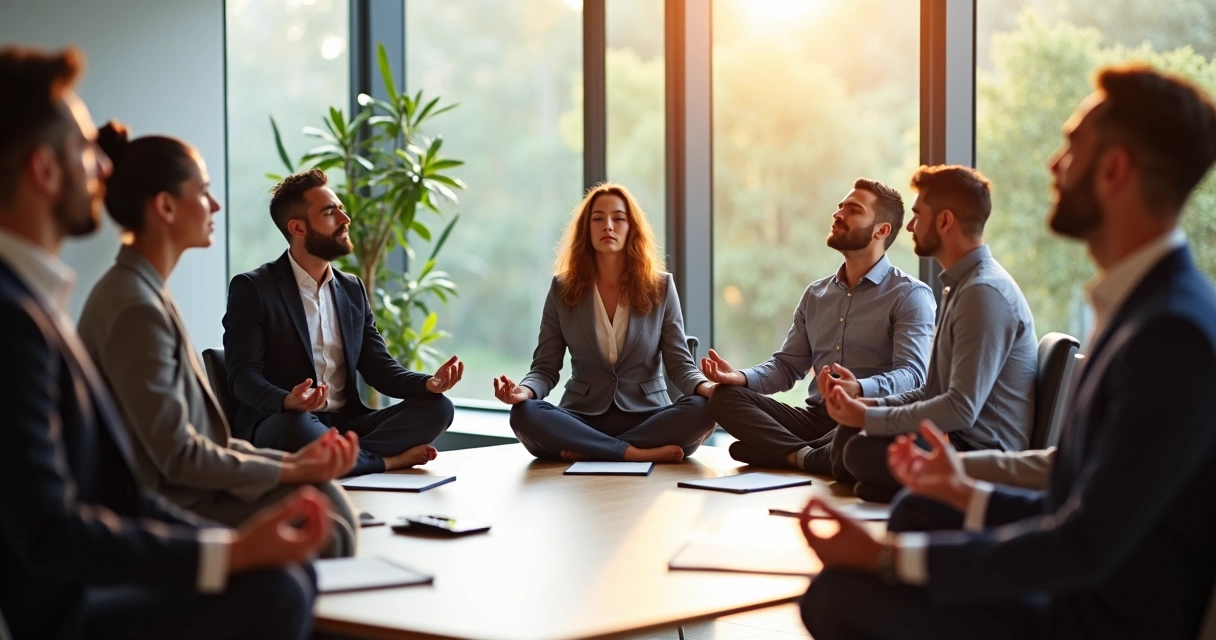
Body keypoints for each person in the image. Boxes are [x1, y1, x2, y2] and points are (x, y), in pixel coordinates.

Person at [799, 64, 1216, 640]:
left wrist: (889, 558)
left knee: (840, 596)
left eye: (1072, 147)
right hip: (1076, 582)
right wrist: (962, 490)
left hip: (1092, 615)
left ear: (1115, 170)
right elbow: (1075, 494)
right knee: (894, 534)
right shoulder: (1145, 307)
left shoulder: (1172, 332)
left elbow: (1082, 545)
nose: (1053, 163)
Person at [0, 46, 329, 640]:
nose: (102, 168)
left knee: (287, 572)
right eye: (82, 151)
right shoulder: (16, 315)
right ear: (44, 172)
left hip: (109, 559)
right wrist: (225, 553)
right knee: (281, 583)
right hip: (70, 610)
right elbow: (50, 527)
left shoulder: (38, 302)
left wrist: (228, 546)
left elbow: (115, 486)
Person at [78, 121, 360, 557]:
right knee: (332, 528)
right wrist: (289, 470)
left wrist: (293, 465)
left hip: (192, 484)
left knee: (332, 507)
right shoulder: (135, 306)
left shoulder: (144, 291)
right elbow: (179, 458)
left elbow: (201, 443)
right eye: (203, 192)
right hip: (170, 506)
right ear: (166, 207)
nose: (215, 205)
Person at [223, 168, 463, 476]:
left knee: (438, 407)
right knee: (297, 428)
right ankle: (385, 461)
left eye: (341, 209)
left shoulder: (352, 289)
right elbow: (242, 377)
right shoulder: (253, 288)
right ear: (298, 227)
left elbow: (379, 367)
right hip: (286, 423)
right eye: (329, 212)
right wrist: (287, 401)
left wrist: (427, 383)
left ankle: (341, 460)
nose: (345, 219)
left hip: (347, 425)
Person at [820, 165, 1038, 502]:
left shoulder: (984, 292)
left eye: (918, 215)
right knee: (851, 441)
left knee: (859, 452)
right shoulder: (961, 286)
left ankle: (902, 486)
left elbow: (960, 410)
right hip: (951, 434)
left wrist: (870, 416)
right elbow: (933, 391)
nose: (909, 226)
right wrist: (869, 404)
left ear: (945, 221)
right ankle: (896, 487)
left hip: (974, 447)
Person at [702, 178, 934, 477]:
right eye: (840, 207)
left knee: (747, 450)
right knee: (723, 397)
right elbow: (787, 367)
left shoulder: (910, 295)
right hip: (816, 419)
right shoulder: (816, 294)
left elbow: (914, 376)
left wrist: (860, 389)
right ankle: (809, 456)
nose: (838, 215)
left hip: (866, 419)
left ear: (882, 230)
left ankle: (786, 452)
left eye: (853, 210)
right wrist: (739, 377)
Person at [494, 183, 716, 462]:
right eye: (598, 218)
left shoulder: (660, 286)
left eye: (618, 218)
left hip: (648, 416)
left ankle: (592, 450)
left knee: (704, 408)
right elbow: (544, 368)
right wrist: (522, 391)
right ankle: (631, 453)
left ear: (631, 227)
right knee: (525, 413)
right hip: (583, 416)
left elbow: (680, 365)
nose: (607, 225)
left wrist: (707, 388)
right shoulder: (562, 289)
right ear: (586, 229)